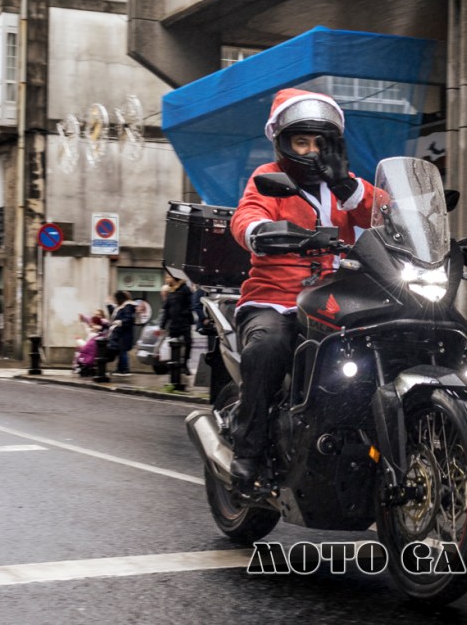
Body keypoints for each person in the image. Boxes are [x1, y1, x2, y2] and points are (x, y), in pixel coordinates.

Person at [226, 88, 377, 492]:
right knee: (269, 345)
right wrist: (260, 231)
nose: (311, 151)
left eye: (319, 142)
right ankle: (248, 448)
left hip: (339, 300)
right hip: (275, 299)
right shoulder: (268, 179)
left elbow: (387, 215)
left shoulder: (348, 186)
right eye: (301, 142)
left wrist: (346, 185)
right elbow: (247, 215)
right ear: (283, 143)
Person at [160, 273, 194, 375]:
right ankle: (174, 365)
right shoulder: (170, 291)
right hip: (174, 323)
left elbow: (191, 304)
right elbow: (166, 309)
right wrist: (162, 325)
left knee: (188, 343)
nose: (166, 280)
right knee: (172, 345)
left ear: (174, 278)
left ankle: (185, 364)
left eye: (168, 277)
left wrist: (184, 313)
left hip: (184, 322)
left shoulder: (185, 289)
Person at [107, 290, 137, 376]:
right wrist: (109, 305)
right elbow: (115, 314)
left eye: (115, 298)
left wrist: (120, 322)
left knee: (122, 350)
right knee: (120, 351)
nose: (115, 300)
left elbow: (128, 319)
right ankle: (120, 368)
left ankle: (124, 369)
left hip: (124, 333)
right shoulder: (123, 306)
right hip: (120, 333)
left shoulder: (127, 306)